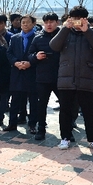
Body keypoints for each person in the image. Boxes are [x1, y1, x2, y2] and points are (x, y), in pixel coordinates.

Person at [50, 5, 93, 150]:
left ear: (85, 19)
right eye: (74, 18)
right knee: (65, 110)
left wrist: (87, 30)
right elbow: (54, 46)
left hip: (86, 78)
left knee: (89, 111)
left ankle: (92, 139)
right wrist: (65, 29)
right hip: (66, 78)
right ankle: (65, 138)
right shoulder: (64, 32)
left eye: (80, 18)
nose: (77, 21)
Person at [28, 12, 60, 140]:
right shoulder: (38, 38)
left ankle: (67, 131)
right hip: (42, 78)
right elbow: (29, 55)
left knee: (66, 105)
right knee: (41, 106)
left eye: (51, 22)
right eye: (46, 22)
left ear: (57, 23)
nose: (49, 25)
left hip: (60, 77)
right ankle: (41, 129)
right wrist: (36, 57)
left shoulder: (63, 36)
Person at [4, 14, 38, 133]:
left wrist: (30, 63)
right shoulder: (15, 38)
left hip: (32, 73)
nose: (25, 25)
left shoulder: (37, 37)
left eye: (28, 22)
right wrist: (15, 62)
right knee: (15, 100)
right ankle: (12, 123)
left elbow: (39, 54)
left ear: (33, 24)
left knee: (33, 100)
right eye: (23, 22)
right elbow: (9, 53)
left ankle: (32, 124)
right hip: (17, 72)